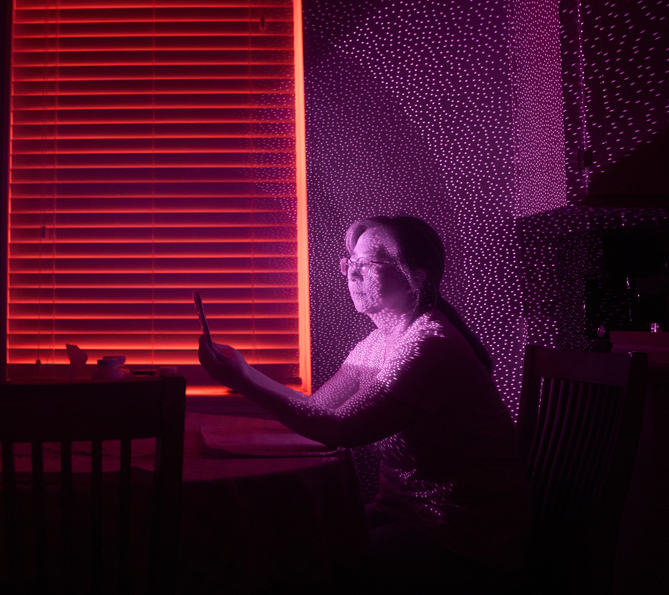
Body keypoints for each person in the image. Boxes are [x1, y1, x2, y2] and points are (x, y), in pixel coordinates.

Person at [197, 215, 529, 590]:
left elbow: (340, 430)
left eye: (367, 264)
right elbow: (319, 411)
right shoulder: (378, 342)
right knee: (284, 541)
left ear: (415, 278)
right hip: (402, 513)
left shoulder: (429, 346)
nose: (351, 274)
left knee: (302, 562)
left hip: (465, 531)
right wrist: (242, 371)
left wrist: (242, 379)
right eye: (349, 261)